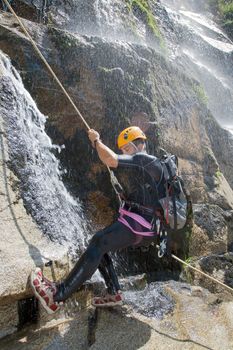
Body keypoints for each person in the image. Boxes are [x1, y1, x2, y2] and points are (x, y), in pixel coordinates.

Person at [30, 126, 165, 314]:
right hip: (148, 228)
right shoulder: (151, 167)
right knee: (98, 242)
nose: (124, 153)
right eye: (122, 150)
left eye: (126, 149)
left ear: (139, 144)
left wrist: (96, 141)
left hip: (140, 224)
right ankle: (114, 292)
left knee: (99, 242)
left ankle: (57, 296)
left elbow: (110, 159)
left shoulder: (144, 159)